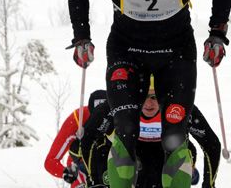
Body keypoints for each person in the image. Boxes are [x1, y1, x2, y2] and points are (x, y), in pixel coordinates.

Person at [67, 0, 231, 188]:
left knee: (174, 136)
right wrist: (82, 38)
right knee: (125, 129)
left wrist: (217, 33)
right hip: (127, 50)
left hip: (175, 52)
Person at [69, 77, 221, 188]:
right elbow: (88, 138)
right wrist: (94, 181)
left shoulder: (179, 108)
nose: (149, 104)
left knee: (180, 151)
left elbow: (212, 144)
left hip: (166, 157)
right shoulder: (117, 105)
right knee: (114, 151)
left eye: (155, 97)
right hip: (131, 155)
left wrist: (209, 184)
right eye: (144, 97)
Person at [44, 89, 107, 188]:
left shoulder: (120, 116)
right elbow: (50, 161)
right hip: (81, 168)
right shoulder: (77, 119)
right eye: (96, 115)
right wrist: (66, 172)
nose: (99, 118)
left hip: (109, 165)